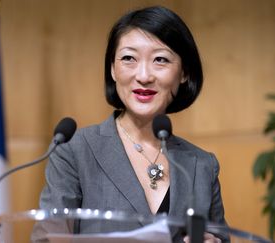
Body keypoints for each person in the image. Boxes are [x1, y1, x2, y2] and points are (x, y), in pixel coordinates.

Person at [39, 6, 227, 242]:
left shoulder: (202, 165)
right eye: (129, 58)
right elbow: (47, 238)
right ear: (112, 69)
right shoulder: (75, 151)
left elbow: (221, 237)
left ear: (184, 73)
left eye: (160, 59)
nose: (144, 75)